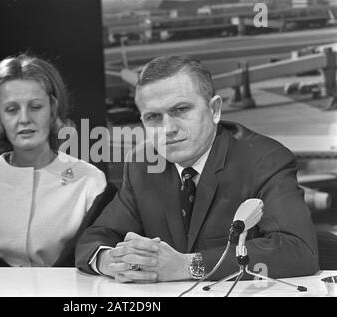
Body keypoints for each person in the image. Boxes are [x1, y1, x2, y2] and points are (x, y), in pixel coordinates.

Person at [75, 55, 319, 283]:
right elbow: (95, 238)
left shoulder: (264, 160)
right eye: (153, 117)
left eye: (180, 110)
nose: (168, 128)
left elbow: (298, 250)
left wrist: (188, 265)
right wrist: (111, 261)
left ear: (214, 110)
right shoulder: (143, 164)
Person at [0, 54, 108, 267]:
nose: (24, 119)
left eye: (35, 107)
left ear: (53, 107)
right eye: (11, 109)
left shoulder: (90, 181)